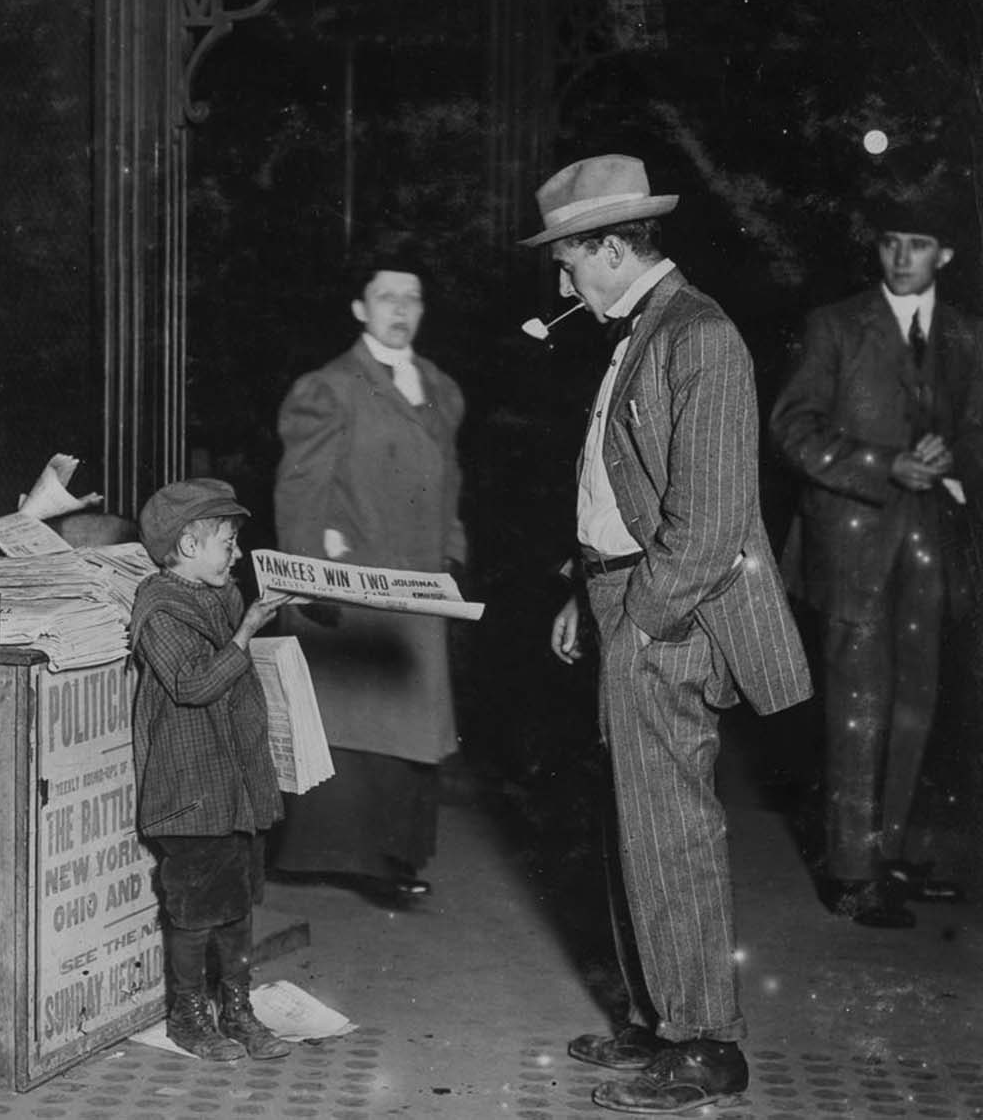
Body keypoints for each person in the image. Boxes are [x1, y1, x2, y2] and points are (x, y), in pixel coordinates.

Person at [523, 154, 813, 1114]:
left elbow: (713, 519)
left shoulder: (700, 335)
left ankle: (704, 1046)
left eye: (569, 260)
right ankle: (656, 1018)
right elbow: (624, 492)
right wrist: (585, 587)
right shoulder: (640, 331)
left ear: (611, 246)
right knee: (632, 820)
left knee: (669, 825)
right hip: (625, 596)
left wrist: (640, 620)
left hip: (669, 614)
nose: (560, 281)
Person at [770, 190, 982, 929]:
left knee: (915, 702)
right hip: (853, 546)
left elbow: (978, 430)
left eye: (918, 243)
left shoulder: (965, 337)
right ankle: (849, 872)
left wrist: (952, 455)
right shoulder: (833, 327)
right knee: (859, 707)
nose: (900, 255)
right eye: (890, 240)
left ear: (944, 255)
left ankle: (883, 850)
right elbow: (792, 428)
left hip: (932, 543)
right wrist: (886, 464)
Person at [270, 253, 466, 905]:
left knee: (406, 727)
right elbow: (301, 487)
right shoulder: (329, 387)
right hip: (351, 582)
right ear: (360, 308)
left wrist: (454, 552)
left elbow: (449, 483)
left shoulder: (436, 384)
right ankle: (354, 861)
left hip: (419, 584)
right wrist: (309, 576)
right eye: (387, 297)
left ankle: (392, 857)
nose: (402, 310)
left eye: (412, 297)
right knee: (358, 725)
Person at [128, 478, 295, 1062]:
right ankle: (189, 1016)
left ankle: (238, 1009)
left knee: (238, 902)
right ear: (189, 544)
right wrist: (247, 633)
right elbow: (193, 684)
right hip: (191, 791)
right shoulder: (160, 607)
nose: (238, 553)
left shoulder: (218, 592)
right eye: (228, 542)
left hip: (235, 788)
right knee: (197, 909)